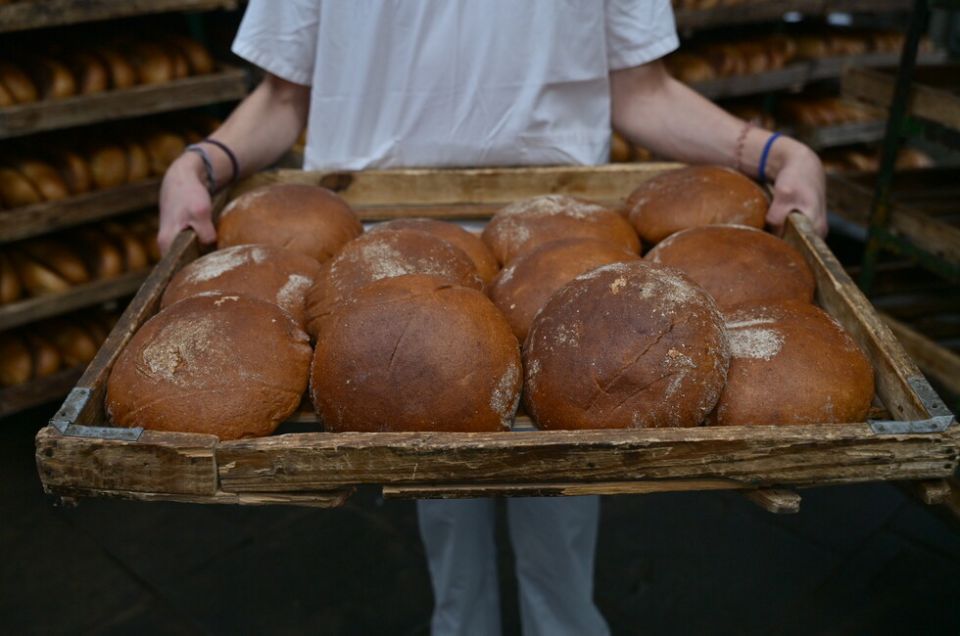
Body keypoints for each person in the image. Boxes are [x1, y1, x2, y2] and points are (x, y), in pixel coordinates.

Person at [158, 2, 828, 634]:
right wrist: (200, 163)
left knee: (563, 501)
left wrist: (774, 154)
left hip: (563, 255)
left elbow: (642, 91)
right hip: (384, 262)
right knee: (442, 511)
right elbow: (282, 97)